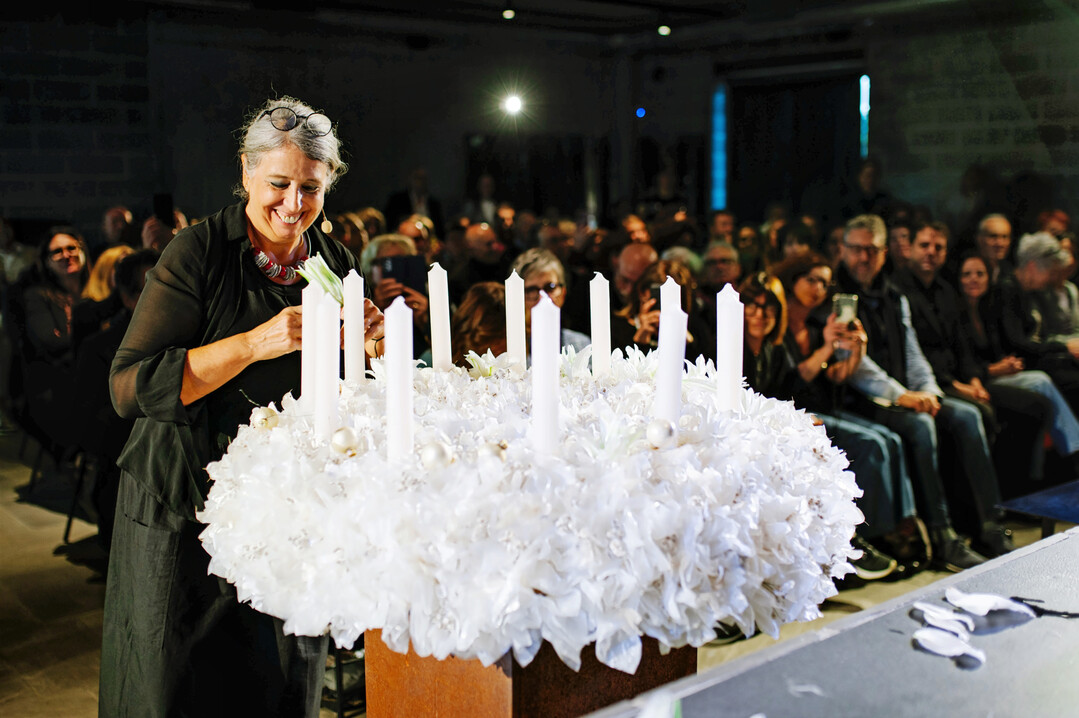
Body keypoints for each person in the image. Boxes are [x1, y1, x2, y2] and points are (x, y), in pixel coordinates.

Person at [101, 97, 384, 718]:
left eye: (310, 188)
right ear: (246, 172)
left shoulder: (331, 261)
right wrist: (253, 344)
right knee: (183, 683)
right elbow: (128, 386)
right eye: (278, 184)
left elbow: (332, 386)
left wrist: (365, 346)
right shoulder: (197, 252)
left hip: (288, 509)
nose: (293, 203)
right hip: (187, 501)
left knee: (280, 684)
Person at [836, 214, 1007, 568]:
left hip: (901, 396)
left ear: (884, 252)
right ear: (843, 249)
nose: (863, 258)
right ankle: (942, 535)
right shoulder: (838, 297)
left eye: (871, 250)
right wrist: (904, 396)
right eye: (856, 249)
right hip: (859, 400)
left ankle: (989, 526)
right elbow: (854, 365)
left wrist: (930, 393)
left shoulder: (893, 295)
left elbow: (913, 353)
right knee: (920, 426)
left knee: (965, 416)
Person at [741, 267, 913, 580]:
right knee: (870, 443)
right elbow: (778, 393)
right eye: (752, 305)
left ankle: (884, 535)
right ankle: (863, 541)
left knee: (887, 440)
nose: (760, 314)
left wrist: (855, 350)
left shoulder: (778, 345)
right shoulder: (742, 346)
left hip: (804, 412)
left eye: (769, 307)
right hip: (777, 424)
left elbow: (809, 383)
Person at [957, 251, 1079, 484]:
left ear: (988, 278)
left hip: (995, 373)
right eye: (967, 274)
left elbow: (1001, 349)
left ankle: (1063, 460)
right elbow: (962, 363)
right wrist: (993, 369)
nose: (974, 279)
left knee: (1044, 386)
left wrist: (1006, 364)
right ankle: (1071, 453)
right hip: (978, 380)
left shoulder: (986, 309)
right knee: (1041, 386)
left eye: (980, 274)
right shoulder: (957, 312)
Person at [611, 260, 715, 364]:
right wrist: (640, 342)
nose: (663, 304)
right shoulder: (618, 330)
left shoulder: (698, 331)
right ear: (642, 293)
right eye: (657, 294)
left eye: (670, 296)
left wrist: (687, 345)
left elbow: (704, 373)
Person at [510, 248, 590, 357]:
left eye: (550, 287)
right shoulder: (508, 350)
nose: (543, 297)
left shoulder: (582, 347)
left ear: (563, 292)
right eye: (531, 290)